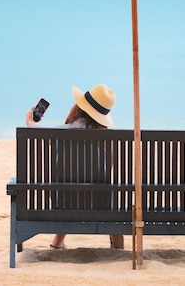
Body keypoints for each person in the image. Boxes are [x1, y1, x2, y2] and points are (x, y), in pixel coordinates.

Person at [25, 83, 124, 250]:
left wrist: (30, 122)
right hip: (100, 203)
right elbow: (109, 170)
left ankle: (57, 242)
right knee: (107, 189)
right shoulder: (107, 139)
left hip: (62, 201)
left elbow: (37, 132)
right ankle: (117, 248)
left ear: (78, 107)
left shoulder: (58, 134)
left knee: (69, 184)